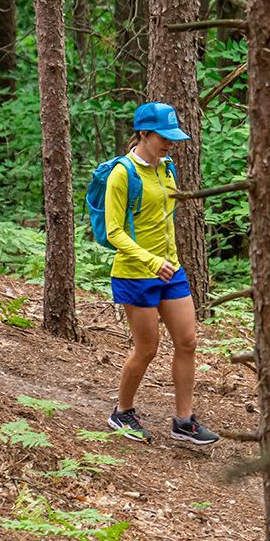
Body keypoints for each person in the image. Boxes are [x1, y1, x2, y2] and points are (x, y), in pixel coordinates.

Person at [104, 102, 218, 445]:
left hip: (172, 269)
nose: (170, 143)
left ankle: (184, 421)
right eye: (163, 137)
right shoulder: (122, 174)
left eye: (173, 136)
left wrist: (166, 261)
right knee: (147, 348)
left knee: (187, 341)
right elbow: (113, 232)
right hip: (135, 273)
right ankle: (122, 412)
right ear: (143, 133)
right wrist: (150, 261)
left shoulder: (167, 169)